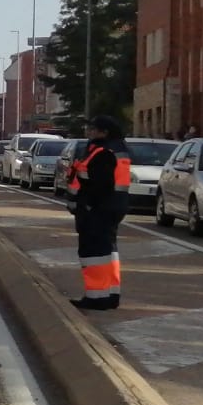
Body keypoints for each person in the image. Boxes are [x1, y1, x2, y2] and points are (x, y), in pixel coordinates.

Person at [70, 116, 130, 312]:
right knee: (107, 252)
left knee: (94, 253)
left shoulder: (103, 152)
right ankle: (110, 295)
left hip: (98, 209)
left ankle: (95, 298)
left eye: (93, 129)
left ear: (104, 132)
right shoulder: (115, 149)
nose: (89, 132)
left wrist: (87, 205)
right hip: (112, 207)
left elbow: (100, 184)